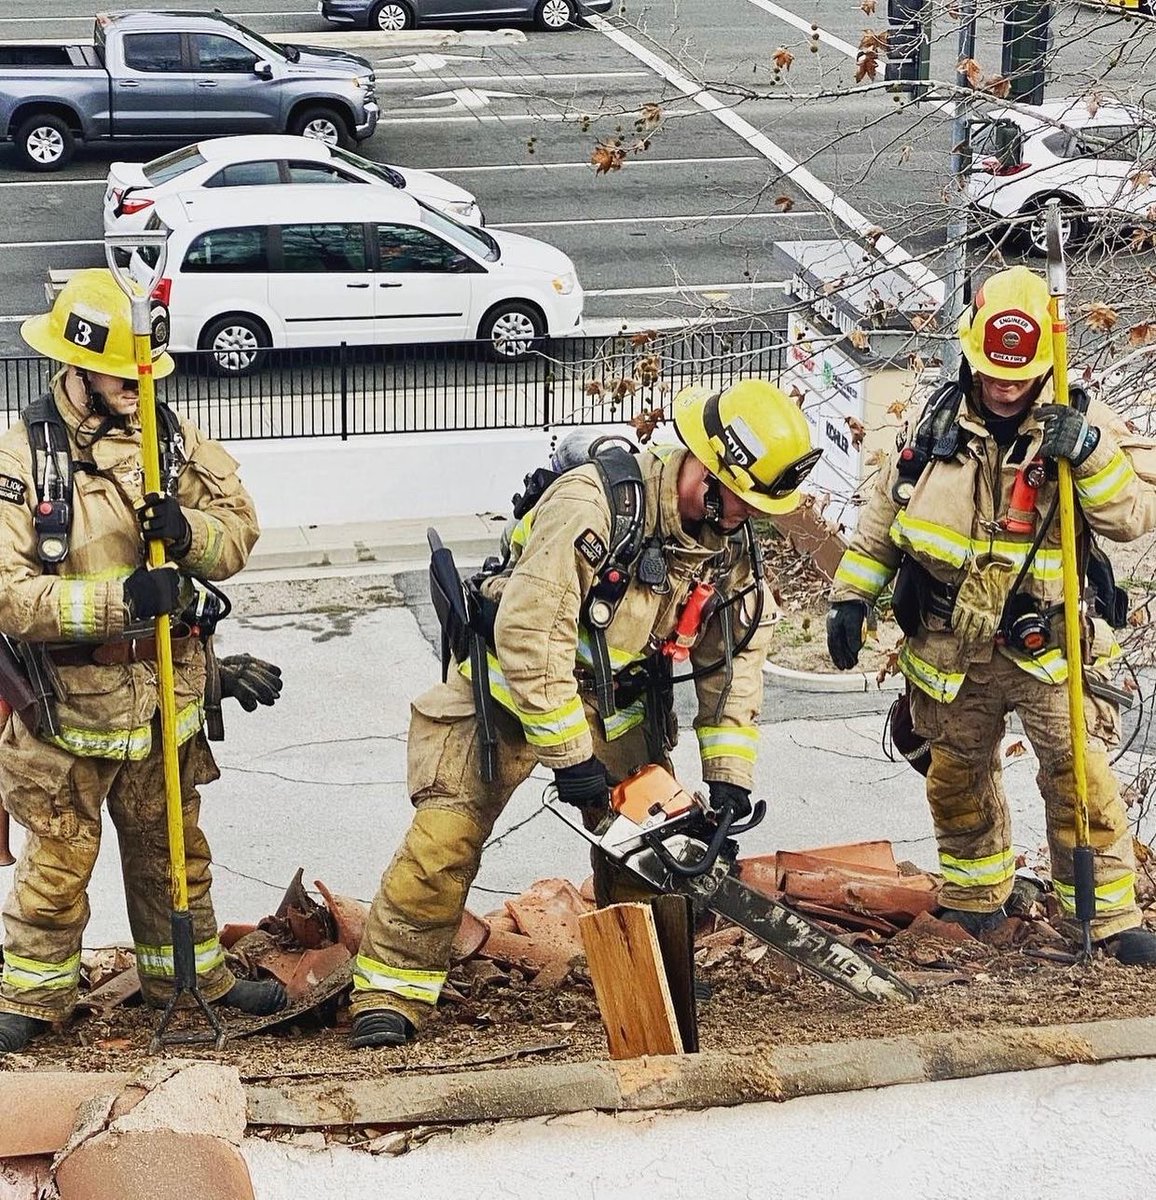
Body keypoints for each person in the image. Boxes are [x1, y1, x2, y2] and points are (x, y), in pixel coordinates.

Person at [349, 379, 820, 1047]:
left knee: (654, 847)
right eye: (748, 498)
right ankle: (390, 992)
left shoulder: (728, 542)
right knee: (443, 841)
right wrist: (572, 760)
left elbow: (734, 661)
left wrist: (729, 778)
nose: (751, 515)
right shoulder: (593, 504)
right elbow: (528, 639)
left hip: (617, 699)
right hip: (507, 695)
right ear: (709, 470)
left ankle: (649, 980)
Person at [826, 265, 1156, 965]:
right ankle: (977, 902)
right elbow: (887, 510)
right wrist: (852, 597)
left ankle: (1105, 920)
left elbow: (1135, 516)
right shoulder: (939, 419)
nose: (1005, 389)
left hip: (1047, 643)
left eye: (1019, 379)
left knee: (1079, 781)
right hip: (950, 643)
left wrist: (1091, 458)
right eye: (993, 375)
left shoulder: (1083, 420)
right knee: (956, 776)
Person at [0, 269, 287, 1055]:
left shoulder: (170, 438)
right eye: (123, 378)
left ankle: (189, 980)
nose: (140, 389)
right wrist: (127, 598)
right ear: (76, 368)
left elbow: (239, 533)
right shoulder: (21, 457)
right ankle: (33, 995)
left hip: (166, 695)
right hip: (68, 706)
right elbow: (9, 596)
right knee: (58, 860)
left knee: (174, 853)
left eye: (146, 375)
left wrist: (188, 532)